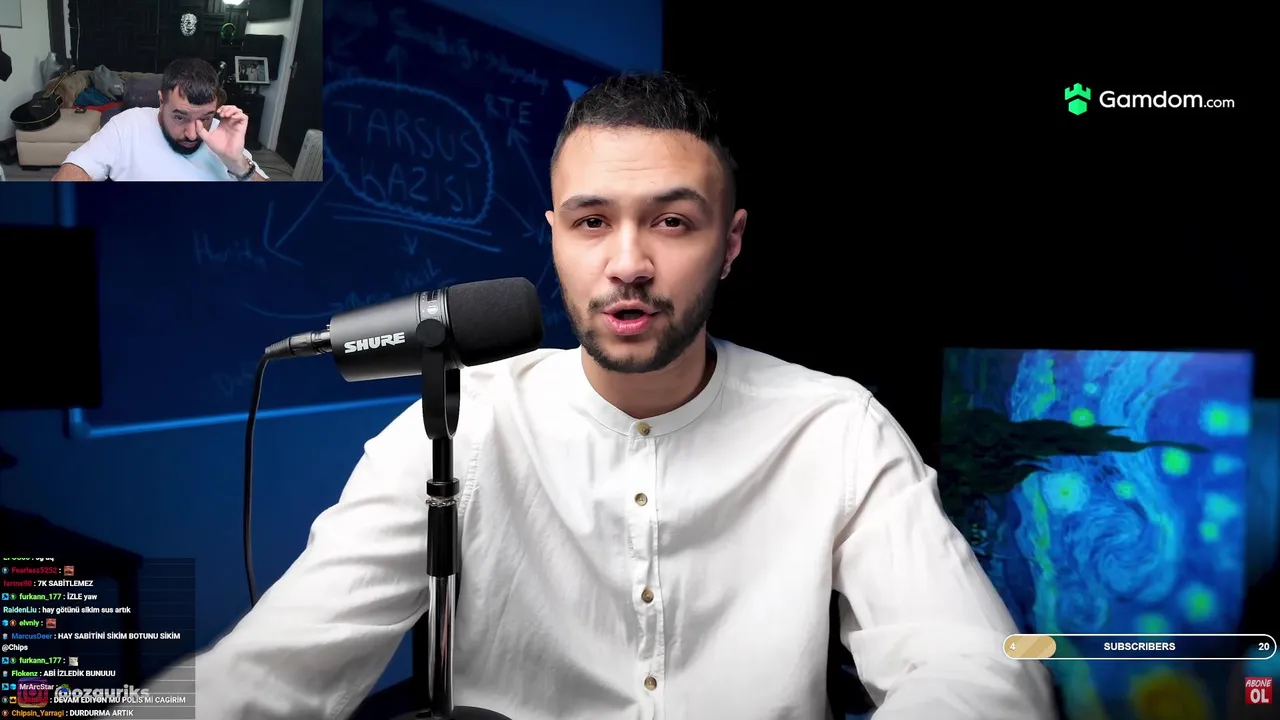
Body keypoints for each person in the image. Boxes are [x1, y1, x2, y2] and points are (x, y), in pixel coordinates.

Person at [108, 73, 1054, 719]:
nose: (628, 263)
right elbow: (269, 671)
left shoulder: (836, 427)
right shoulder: (458, 424)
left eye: (672, 223)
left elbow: (978, 671)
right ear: (555, 234)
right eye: (593, 222)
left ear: (729, 244)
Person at [52, 58, 267, 182]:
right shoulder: (127, 126)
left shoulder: (222, 135)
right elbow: (73, 172)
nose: (193, 134)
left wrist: (238, 164)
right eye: (180, 117)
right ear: (161, 101)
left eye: (205, 118)